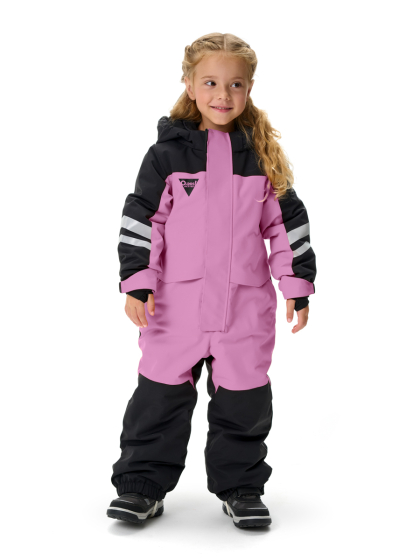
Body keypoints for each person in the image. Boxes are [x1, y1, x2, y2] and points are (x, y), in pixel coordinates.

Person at [107, 32, 316, 529]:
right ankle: (141, 486)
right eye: (211, 82)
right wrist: (138, 280)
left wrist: (297, 284)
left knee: (244, 401)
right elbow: (143, 218)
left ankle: (241, 488)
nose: (223, 95)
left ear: (249, 89)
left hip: (244, 310)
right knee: (158, 399)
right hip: (173, 309)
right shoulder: (167, 156)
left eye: (235, 84)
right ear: (189, 84)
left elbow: (286, 225)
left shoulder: (261, 158)